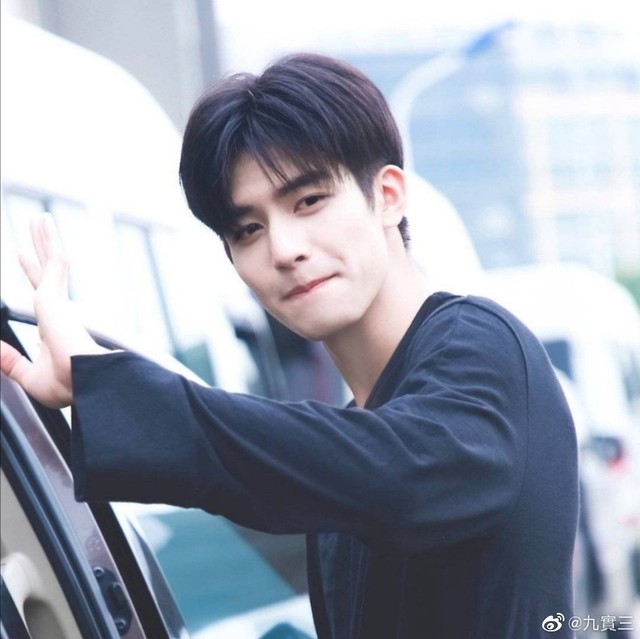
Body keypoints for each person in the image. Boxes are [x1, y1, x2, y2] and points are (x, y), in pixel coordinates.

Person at [0, 53, 578, 638]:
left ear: (387, 196)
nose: (283, 249)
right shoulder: (349, 450)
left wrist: (108, 388)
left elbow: (400, 479)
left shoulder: (481, 345)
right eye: (247, 229)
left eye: (308, 201)